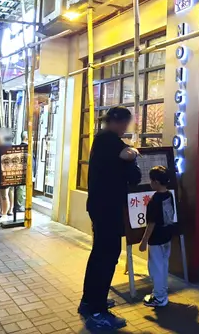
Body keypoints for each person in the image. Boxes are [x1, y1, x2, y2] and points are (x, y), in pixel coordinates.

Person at [78, 107, 141, 330]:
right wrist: (133, 154)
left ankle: (89, 302)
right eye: (125, 123)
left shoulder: (102, 140)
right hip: (108, 209)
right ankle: (98, 312)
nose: (126, 127)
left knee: (99, 256)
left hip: (100, 207)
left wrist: (130, 152)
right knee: (107, 258)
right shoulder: (110, 141)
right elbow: (131, 167)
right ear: (117, 122)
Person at [140, 166, 175, 308]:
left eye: (151, 180)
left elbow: (151, 223)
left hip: (156, 239)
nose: (150, 183)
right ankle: (161, 292)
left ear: (156, 182)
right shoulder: (169, 195)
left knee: (156, 268)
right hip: (167, 236)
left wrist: (144, 241)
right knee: (164, 265)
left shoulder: (154, 200)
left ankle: (159, 298)